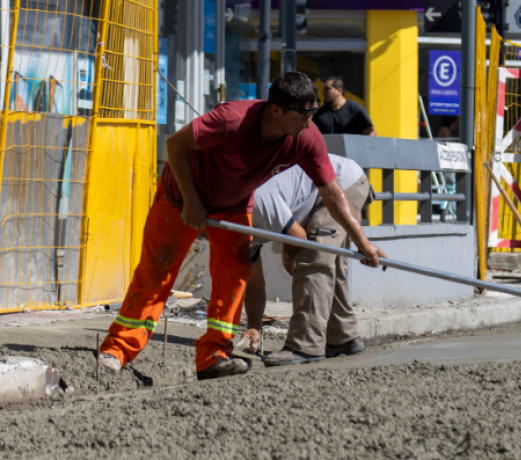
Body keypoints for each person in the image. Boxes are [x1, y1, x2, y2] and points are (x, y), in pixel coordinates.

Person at [97, 72, 386, 381]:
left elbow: (332, 192)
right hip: (180, 197)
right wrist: (192, 201)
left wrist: (363, 242)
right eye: (301, 115)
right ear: (275, 110)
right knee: (158, 271)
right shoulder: (232, 120)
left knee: (234, 276)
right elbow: (176, 144)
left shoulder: (306, 136)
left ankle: (214, 355)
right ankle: (117, 350)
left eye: (312, 113)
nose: (308, 123)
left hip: (233, 203)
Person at [239, 154, 372, 365]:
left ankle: (305, 346)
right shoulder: (235, 233)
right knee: (330, 264)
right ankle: (343, 337)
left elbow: (298, 237)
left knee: (313, 258)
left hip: (340, 183)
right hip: (322, 189)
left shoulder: (258, 201)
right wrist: (255, 328)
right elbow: (254, 284)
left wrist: (287, 256)